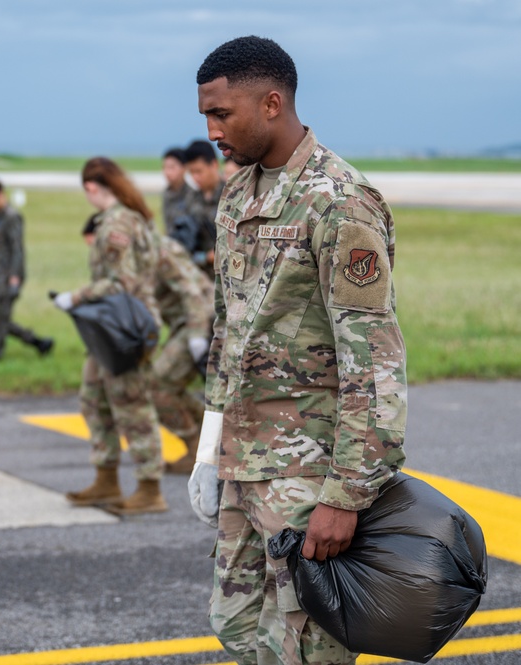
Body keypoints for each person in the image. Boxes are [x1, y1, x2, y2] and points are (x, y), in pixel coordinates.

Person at [188, 36, 408, 665]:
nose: (210, 131)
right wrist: (208, 451)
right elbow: (227, 330)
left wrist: (345, 495)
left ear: (272, 103)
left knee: (308, 650)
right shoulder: (238, 195)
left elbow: (374, 362)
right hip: (242, 464)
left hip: (309, 474)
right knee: (235, 626)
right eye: (205, 115)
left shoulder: (339, 202)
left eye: (221, 114)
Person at [53, 157, 167, 515]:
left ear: (91, 187)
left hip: (126, 329)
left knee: (132, 406)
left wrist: (76, 296)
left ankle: (150, 489)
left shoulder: (118, 223)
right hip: (112, 328)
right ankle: (106, 479)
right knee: (94, 399)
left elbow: (122, 282)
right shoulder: (128, 217)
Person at [150, 233, 214, 474]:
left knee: (158, 386)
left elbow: (191, 292)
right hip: (187, 324)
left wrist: (197, 335)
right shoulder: (142, 249)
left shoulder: (159, 251)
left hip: (200, 320)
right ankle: (207, 445)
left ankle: (197, 448)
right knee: (168, 387)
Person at [0, 177, 54, 361]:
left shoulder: (12, 216)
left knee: (0, 316)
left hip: (10, 273)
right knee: (0, 316)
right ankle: (38, 342)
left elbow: (17, 249)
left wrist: (14, 277)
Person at [182, 139, 224, 279]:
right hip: (200, 277)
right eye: (191, 172)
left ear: (214, 164)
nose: (195, 177)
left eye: (199, 171)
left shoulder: (231, 195)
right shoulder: (191, 198)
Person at [160, 146, 192, 239]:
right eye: (165, 167)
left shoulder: (192, 195)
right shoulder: (166, 194)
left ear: (184, 168)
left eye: (172, 167)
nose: (167, 172)